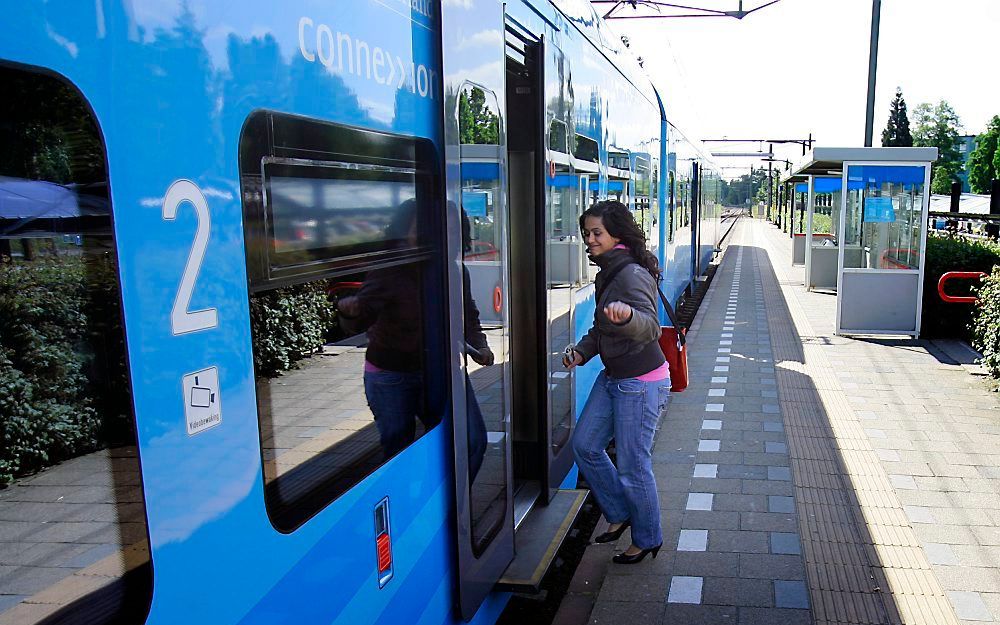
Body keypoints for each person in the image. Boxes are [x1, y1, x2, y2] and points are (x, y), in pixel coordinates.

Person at [564, 200, 670, 564]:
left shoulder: (630, 275)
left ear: (616, 235)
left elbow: (651, 326)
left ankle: (647, 537)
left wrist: (627, 318)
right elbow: (601, 328)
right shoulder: (607, 271)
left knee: (633, 465)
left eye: (596, 233)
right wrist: (581, 352)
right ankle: (621, 513)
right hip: (615, 377)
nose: (589, 240)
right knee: (585, 446)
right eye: (586, 234)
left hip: (640, 382)